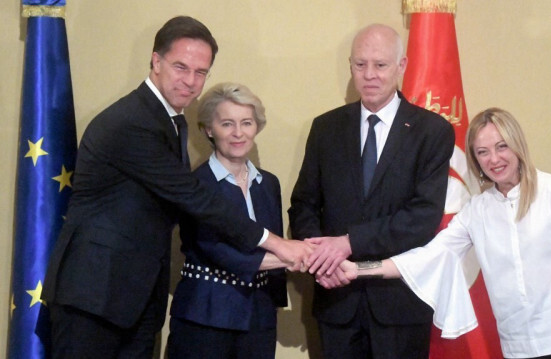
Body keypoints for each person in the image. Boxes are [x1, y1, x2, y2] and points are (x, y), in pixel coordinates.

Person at [41, 16, 309, 359]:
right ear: (156, 61)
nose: (191, 81)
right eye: (181, 67)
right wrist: (279, 245)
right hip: (94, 298)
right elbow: (194, 197)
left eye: (201, 72)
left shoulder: (170, 120)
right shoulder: (131, 121)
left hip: (133, 300)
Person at [335, 108, 551, 359]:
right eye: (482, 152)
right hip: (520, 347)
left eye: (502, 147)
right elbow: (429, 257)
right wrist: (357, 270)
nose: (494, 159)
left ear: (517, 146)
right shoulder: (478, 210)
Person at [288, 24, 455, 358]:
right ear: (350, 66)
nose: (370, 75)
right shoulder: (325, 128)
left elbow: (422, 218)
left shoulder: (432, 131)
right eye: (360, 64)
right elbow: (303, 205)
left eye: (380, 65)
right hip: (336, 301)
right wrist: (324, 261)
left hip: (400, 306)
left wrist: (348, 243)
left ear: (401, 65)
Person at [166, 83, 288, 359]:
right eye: (227, 124)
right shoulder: (195, 185)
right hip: (205, 317)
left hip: (259, 319)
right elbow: (221, 253)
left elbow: (274, 243)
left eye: (246, 123)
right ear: (209, 129)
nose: (238, 133)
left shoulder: (268, 184)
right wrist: (299, 256)